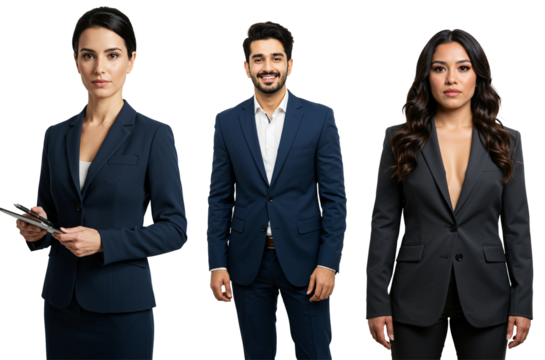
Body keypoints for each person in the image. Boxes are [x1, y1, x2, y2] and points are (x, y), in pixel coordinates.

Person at [13, 6, 188, 360]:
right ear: (76, 62)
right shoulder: (55, 135)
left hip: (122, 308)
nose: (100, 68)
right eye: (89, 56)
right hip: (61, 304)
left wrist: (104, 241)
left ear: (132, 61)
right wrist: (35, 230)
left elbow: (176, 228)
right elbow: (48, 210)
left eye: (112, 55)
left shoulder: (155, 135)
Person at [365, 28, 534, 359]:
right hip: (414, 295)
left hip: (488, 295)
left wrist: (524, 303)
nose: (451, 79)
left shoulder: (507, 141)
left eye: (463, 67)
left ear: (478, 76)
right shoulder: (398, 139)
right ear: (427, 76)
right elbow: (383, 226)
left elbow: (518, 228)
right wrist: (376, 302)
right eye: (440, 68)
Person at [206, 21, 348, 360]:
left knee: (315, 353)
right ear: (246, 68)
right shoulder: (226, 121)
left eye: (276, 58)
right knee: (257, 354)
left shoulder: (320, 117)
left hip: (306, 262)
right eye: (258, 59)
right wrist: (216, 263)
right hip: (246, 262)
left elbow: (335, 198)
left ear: (290, 65)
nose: (267, 67)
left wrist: (329, 262)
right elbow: (218, 198)